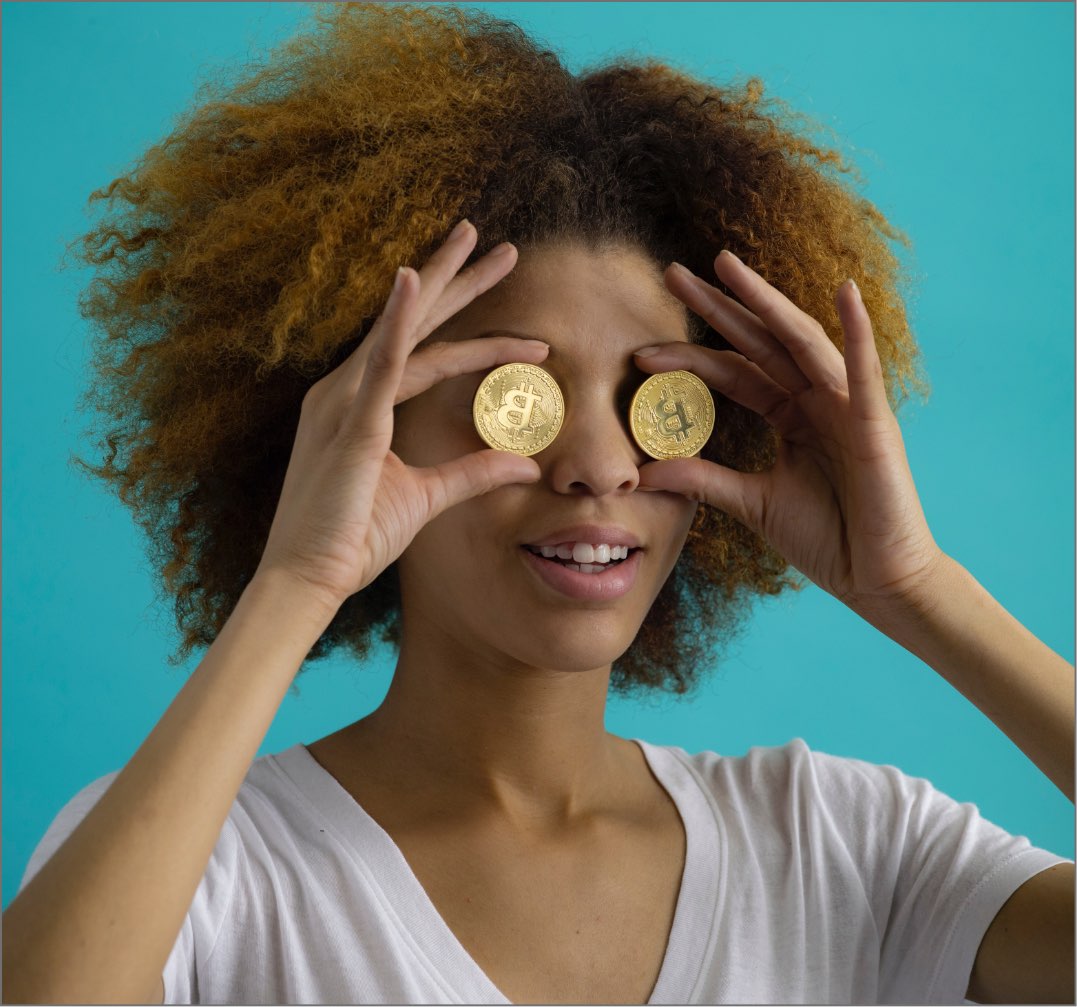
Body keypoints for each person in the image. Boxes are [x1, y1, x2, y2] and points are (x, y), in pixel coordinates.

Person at [3, 4, 1073, 1004]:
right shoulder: (201, 863)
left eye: (657, 396)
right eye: (520, 393)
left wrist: (921, 587)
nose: (599, 462)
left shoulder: (847, 846)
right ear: (352, 426)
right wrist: (295, 578)